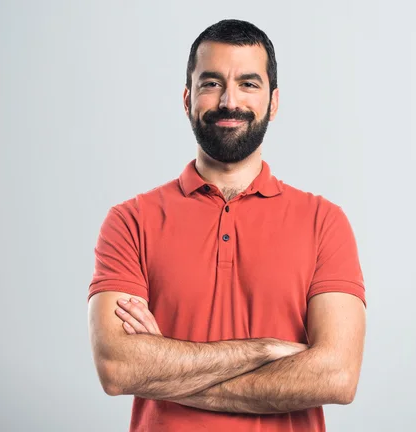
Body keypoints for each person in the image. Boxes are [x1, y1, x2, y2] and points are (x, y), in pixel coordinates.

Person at [87, 19, 367, 432]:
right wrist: (266, 351)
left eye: (249, 84)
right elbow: (117, 367)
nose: (229, 100)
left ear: (273, 102)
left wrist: (164, 365)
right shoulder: (130, 221)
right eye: (211, 83)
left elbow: (337, 376)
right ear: (187, 98)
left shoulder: (324, 222)